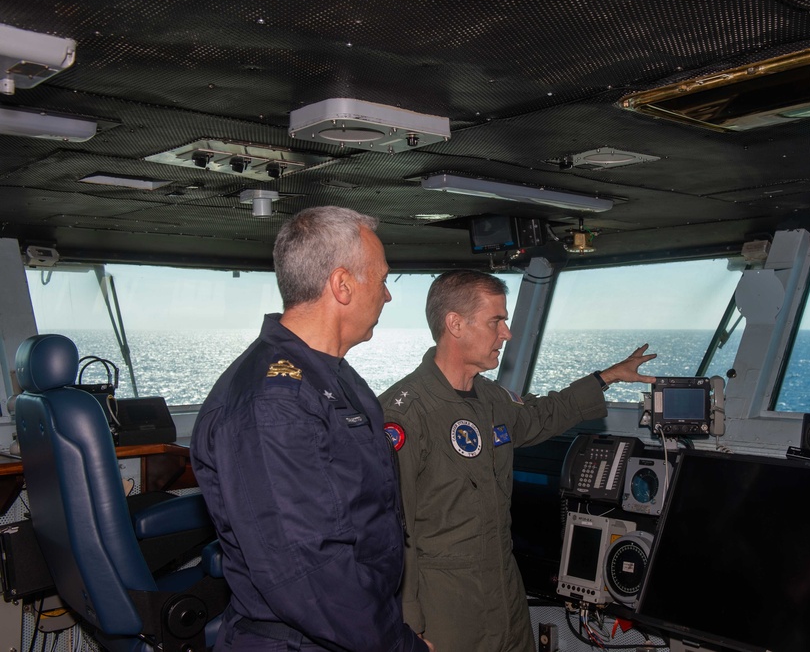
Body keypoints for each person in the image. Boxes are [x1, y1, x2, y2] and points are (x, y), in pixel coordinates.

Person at [191, 206, 432, 652]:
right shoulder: (274, 402)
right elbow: (305, 569)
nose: (387, 296)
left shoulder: (335, 378)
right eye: (381, 281)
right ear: (342, 285)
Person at [379, 269, 656, 652]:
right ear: (455, 324)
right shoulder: (407, 414)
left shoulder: (491, 399)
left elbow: (542, 416)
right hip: (445, 604)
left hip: (504, 588)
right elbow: (393, 530)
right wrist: (408, 625)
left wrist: (604, 378)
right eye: (496, 321)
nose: (506, 333)